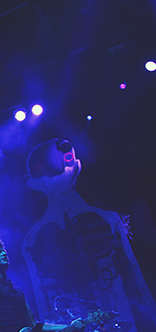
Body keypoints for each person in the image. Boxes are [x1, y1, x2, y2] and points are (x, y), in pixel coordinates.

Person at [23, 139, 156, 332]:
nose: (63, 170)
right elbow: (42, 299)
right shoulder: (33, 238)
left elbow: (135, 278)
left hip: (119, 319)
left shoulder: (109, 220)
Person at [0, 239, 83, 332]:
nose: (3, 253)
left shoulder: (17, 291)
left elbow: (34, 325)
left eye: (4, 251)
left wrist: (69, 327)